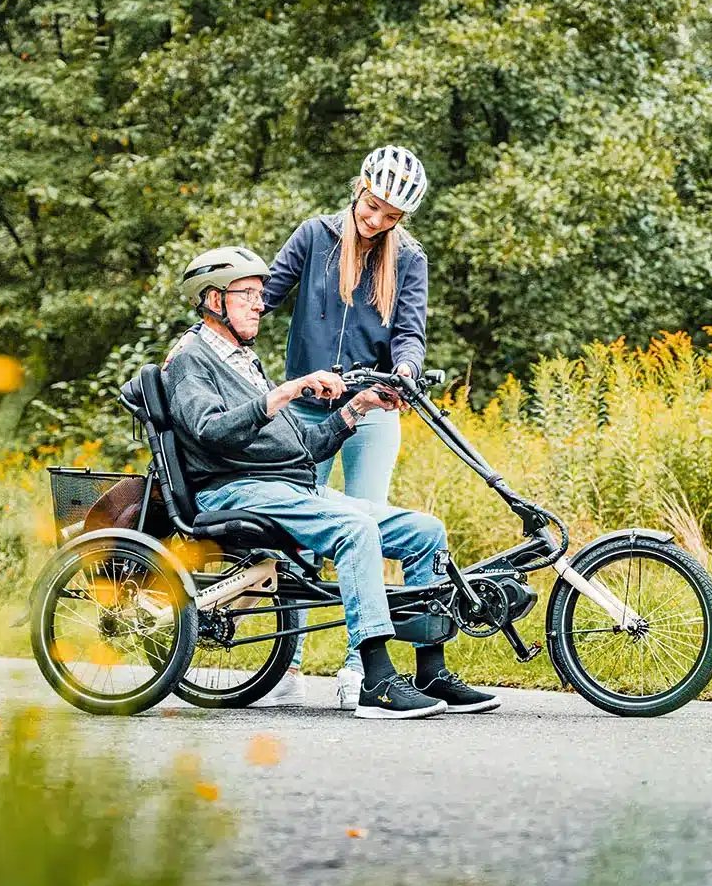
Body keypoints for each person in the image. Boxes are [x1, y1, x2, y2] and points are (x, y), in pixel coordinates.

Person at [163, 245, 498, 718]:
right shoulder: (191, 358)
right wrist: (287, 390)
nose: (260, 304)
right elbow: (209, 431)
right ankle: (376, 681)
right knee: (353, 529)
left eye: (260, 295)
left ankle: (431, 670)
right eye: (248, 295)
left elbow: (305, 445)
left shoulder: (243, 360)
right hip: (236, 488)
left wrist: (359, 406)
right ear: (213, 299)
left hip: (288, 487)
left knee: (425, 532)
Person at [258, 145, 433, 709]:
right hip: (304, 409)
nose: (377, 220)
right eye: (373, 206)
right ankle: (288, 665)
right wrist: (210, 332)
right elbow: (261, 297)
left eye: (391, 216)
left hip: (370, 412)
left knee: (367, 529)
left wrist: (406, 371)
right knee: (296, 534)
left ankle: (359, 667)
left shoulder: (409, 259)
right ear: (359, 187)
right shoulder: (315, 237)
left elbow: (410, 332)